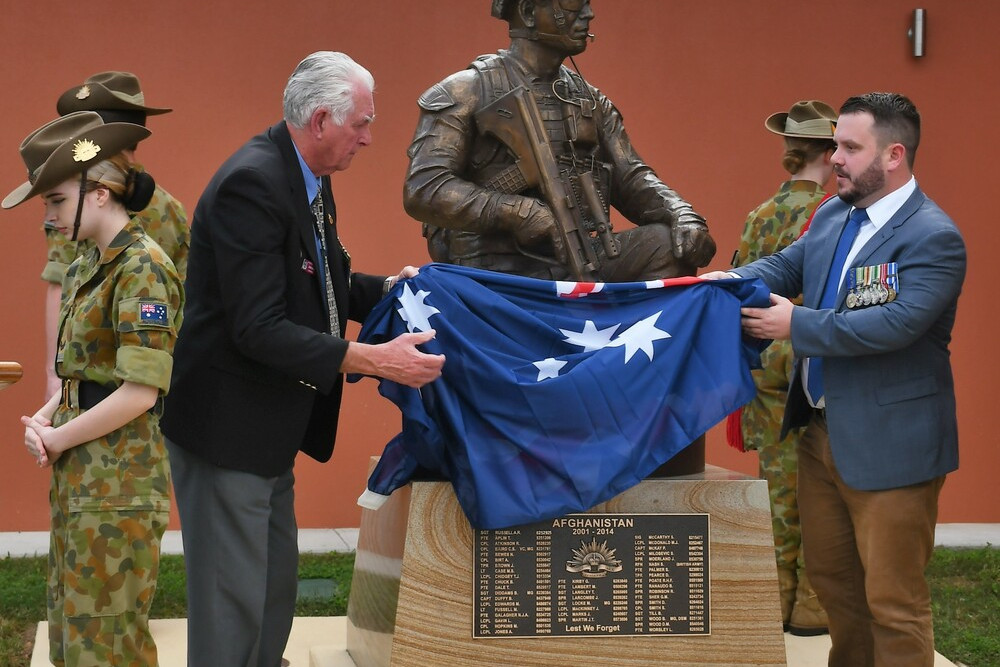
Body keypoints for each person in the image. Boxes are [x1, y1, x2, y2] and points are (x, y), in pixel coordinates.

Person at [160, 51, 445, 667]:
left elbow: (323, 282)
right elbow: (258, 326)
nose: (369, 138)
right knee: (231, 602)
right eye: (362, 123)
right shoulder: (254, 184)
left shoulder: (310, 179)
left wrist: (401, 291)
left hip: (266, 431)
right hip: (225, 432)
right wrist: (372, 359)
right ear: (320, 120)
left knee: (272, 591)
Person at [703, 92, 966, 666]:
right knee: (834, 587)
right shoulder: (832, 214)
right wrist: (724, 281)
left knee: (893, 603)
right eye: (836, 145)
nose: (836, 157)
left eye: (850, 147)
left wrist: (795, 323)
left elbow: (896, 324)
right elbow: (784, 267)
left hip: (891, 446)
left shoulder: (932, 235)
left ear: (894, 155)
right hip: (821, 436)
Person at [5, 111, 183, 666]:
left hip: (118, 486)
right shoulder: (91, 263)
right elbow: (87, 374)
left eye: (56, 201)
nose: (50, 216)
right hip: (85, 479)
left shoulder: (142, 268)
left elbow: (139, 393)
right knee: (74, 642)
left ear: (99, 192)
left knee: (108, 648)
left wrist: (57, 438)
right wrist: (47, 414)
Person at [403, 0, 715, 281]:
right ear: (527, 12)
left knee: (669, 246)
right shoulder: (465, 91)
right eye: (572, 4)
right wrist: (516, 211)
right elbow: (424, 188)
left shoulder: (590, 100)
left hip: (582, 258)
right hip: (495, 275)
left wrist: (681, 214)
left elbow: (631, 178)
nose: (588, 14)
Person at [731, 100, 836, 636]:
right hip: (808, 365)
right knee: (818, 488)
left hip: (760, 364)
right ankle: (814, 605)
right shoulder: (833, 214)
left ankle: (777, 601)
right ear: (830, 149)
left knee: (777, 490)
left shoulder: (759, 214)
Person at [40, 71, 188, 400]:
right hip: (158, 379)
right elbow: (185, 300)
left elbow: (59, 285)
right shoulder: (171, 208)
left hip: (97, 390)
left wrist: (54, 376)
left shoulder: (79, 203)